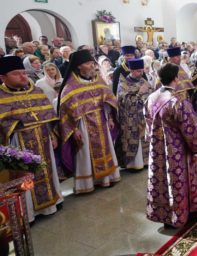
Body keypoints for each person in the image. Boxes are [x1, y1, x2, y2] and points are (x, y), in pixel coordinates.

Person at [0, 56, 63, 222]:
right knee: (24, 175)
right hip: (17, 142)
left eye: (24, 73)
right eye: (16, 74)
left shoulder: (36, 91)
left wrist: (52, 134)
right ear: (3, 77)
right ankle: (28, 212)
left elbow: (47, 115)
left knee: (47, 169)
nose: (23, 77)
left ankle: (51, 203)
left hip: (43, 137)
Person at [145, 63, 197, 229]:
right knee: (179, 180)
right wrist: (196, 149)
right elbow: (190, 128)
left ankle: (165, 215)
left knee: (161, 181)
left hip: (157, 149)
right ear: (176, 79)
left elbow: (148, 126)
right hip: (177, 150)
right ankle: (184, 214)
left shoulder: (151, 98)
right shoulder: (177, 101)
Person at [58, 50, 121, 194]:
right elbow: (65, 112)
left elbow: (108, 99)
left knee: (106, 149)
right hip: (83, 124)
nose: (92, 66)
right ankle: (87, 183)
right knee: (85, 153)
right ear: (78, 66)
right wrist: (74, 130)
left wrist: (110, 117)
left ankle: (107, 178)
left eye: (93, 63)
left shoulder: (98, 80)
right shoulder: (70, 86)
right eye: (88, 63)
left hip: (102, 120)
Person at [117, 59, 151, 171]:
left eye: (142, 71)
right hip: (130, 119)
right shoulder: (123, 84)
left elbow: (150, 96)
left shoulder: (143, 81)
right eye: (138, 71)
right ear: (131, 70)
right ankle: (135, 164)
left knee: (145, 139)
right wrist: (139, 93)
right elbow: (125, 102)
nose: (141, 73)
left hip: (143, 117)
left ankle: (146, 161)